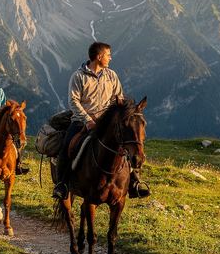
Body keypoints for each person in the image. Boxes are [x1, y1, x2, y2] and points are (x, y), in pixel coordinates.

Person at [52, 42, 150, 199]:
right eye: (108, 55)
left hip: (106, 123)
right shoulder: (78, 77)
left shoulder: (111, 75)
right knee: (67, 146)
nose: (110, 58)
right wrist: (88, 120)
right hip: (81, 121)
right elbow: (73, 101)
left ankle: (133, 182)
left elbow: (118, 98)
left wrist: (120, 110)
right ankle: (62, 184)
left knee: (126, 143)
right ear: (99, 57)